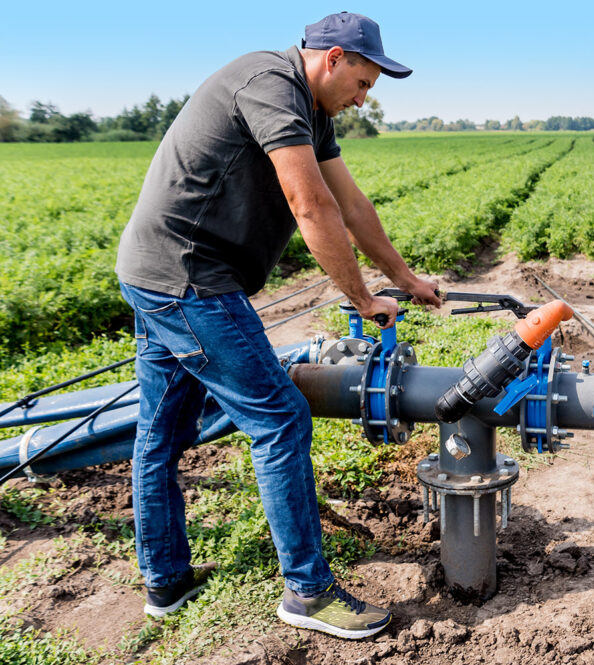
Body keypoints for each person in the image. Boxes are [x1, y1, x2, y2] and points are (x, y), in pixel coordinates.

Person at [114, 12, 440, 639]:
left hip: (156, 271)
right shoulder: (270, 84)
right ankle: (309, 594)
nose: (364, 97)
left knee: (162, 431)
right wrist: (362, 298)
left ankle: (166, 581)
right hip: (188, 280)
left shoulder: (312, 110)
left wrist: (401, 278)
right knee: (279, 415)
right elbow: (310, 203)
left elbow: (351, 204)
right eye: (364, 82)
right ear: (333, 57)